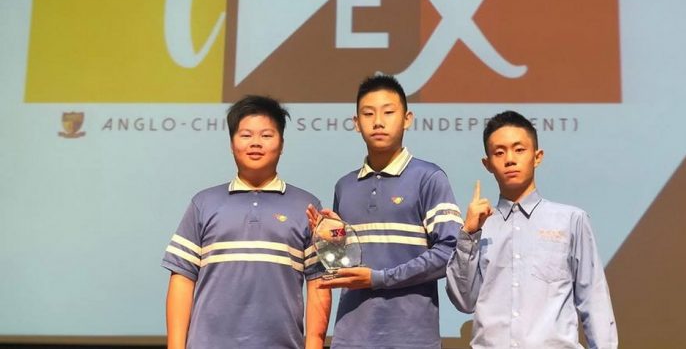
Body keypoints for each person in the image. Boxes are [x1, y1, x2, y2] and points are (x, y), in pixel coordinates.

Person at [161, 95, 331, 349]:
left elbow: (318, 283)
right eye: (246, 135)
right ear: (232, 143)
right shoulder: (203, 203)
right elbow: (182, 279)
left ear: (282, 144)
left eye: (266, 135)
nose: (255, 143)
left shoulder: (306, 206)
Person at [307, 74, 463, 348]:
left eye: (388, 112)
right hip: (350, 338)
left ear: (407, 119)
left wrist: (380, 279)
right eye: (368, 114)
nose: (378, 122)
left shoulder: (429, 178)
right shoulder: (345, 186)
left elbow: (449, 252)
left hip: (412, 339)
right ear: (356, 123)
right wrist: (332, 243)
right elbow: (345, 267)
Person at [446, 110, 618, 348]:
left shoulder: (571, 220)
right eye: (499, 152)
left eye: (519, 150)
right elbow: (464, 302)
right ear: (487, 164)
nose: (509, 159)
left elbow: (593, 300)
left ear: (537, 157)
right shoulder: (478, 228)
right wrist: (468, 235)